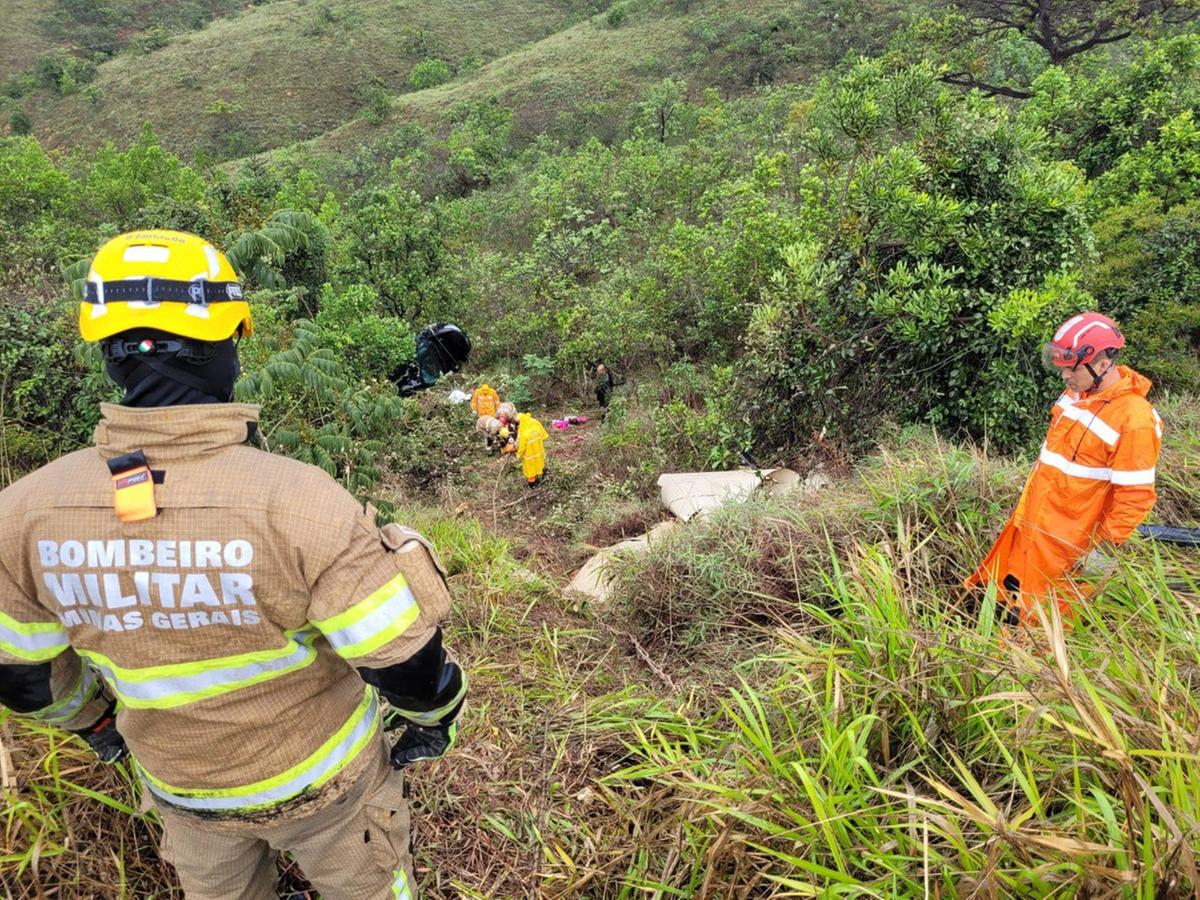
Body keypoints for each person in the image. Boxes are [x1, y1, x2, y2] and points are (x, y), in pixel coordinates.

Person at [0, 230, 467, 900]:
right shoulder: (299, 501)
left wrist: (100, 728)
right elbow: (409, 668)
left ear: (107, 353)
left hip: (182, 792)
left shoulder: (21, 515)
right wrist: (436, 718)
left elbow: (25, 682)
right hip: (325, 785)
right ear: (228, 344)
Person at [966, 312, 1163, 626]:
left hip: (1067, 556)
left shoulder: (1135, 420)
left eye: (1071, 368)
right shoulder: (1074, 396)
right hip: (1031, 532)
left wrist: (1099, 559)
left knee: (1040, 637)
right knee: (1005, 611)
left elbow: (1135, 500)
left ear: (1102, 364)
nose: (1064, 376)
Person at [515, 412, 549, 487]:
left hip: (529, 454)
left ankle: (533, 485)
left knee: (530, 469)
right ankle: (543, 476)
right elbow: (543, 433)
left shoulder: (523, 431)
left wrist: (518, 455)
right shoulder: (534, 422)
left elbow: (521, 446)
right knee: (540, 462)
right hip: (539, 450)